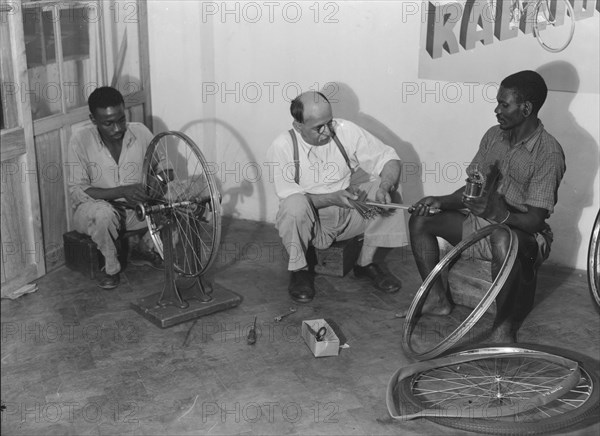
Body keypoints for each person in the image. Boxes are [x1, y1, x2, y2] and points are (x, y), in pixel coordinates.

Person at [409, 70, 566, 343]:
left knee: (501, 237)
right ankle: (436, 300)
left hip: (523, 237)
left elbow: (535, 222)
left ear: (526, 108)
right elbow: (473, 191)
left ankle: (504, 328)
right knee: (422, 220)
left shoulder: (548, 152)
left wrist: (498, 214)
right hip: (482, 225)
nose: (496, 110)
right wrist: (441, 200)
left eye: (504, 104)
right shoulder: (494, 135)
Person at [266, 91, 408, 303]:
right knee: (294, 206)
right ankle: (299, 270)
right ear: (298, 126)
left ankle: (365, 264)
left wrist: (385, 187)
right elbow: (291, 199)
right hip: (312, 222)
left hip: (348, 211)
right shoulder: (283, 146)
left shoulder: (344, 130)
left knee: (388, 192)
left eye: (329, 122)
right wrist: (332, 198)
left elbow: (389, 158)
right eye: (318, 128)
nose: (327, 131)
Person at [67, 86, 164, 290]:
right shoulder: (80, 140)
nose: (118, 128)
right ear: (93, 119)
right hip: (96, 214)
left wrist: (159, 182)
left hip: (136, 213)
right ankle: (110, 267)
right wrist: (122, 191)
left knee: (183, 195)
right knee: (103, 213)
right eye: (108, 123)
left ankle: (145, 248)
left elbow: (165, 168)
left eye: (121, 119)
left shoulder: (140, 131)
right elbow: (78, 190)